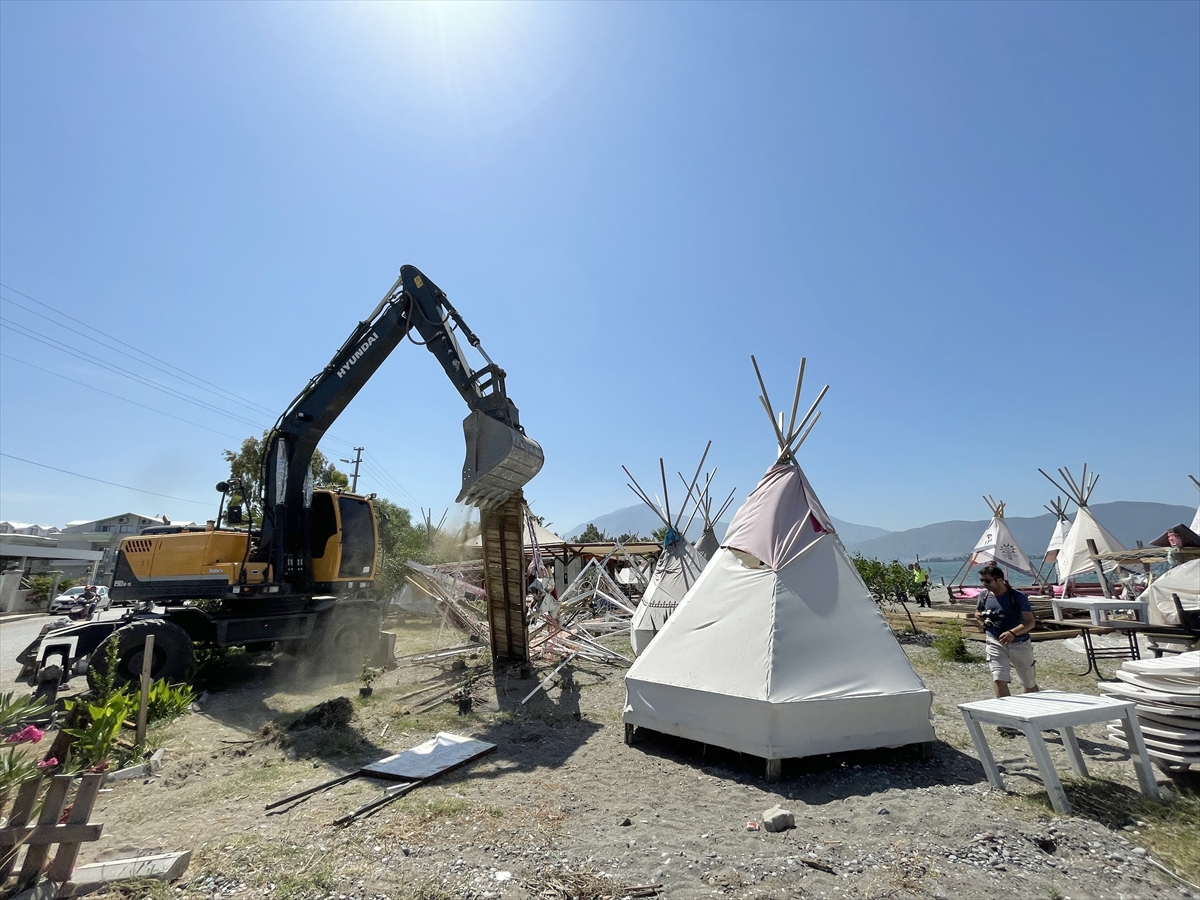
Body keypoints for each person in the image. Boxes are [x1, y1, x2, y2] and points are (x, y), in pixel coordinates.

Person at [974, 563, 1039, 700]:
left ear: (999, 580)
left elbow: (1030, 622)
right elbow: (978, 611)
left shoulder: (1017, 597)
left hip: (1019, 643)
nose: (984, 584)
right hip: (994, 641)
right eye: (982, 581)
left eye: (987, 581)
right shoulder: (984, 596)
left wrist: (1013, 633)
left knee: (1029, 682)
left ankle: (1033, 711)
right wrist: (979, 616)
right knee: (998, 678)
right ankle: (1006, 716)